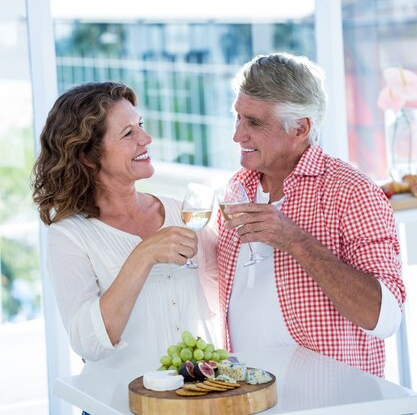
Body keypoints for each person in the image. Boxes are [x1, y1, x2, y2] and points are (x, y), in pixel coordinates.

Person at [217, 52, 406, 377]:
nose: (238, 135)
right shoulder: (237, 187)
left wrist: (296, 241)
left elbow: (385, 319)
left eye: (254, 123)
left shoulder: (352, 192)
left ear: (300, 128)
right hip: (249, 396)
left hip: (331, 399)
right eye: (238, 117)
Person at [32, 81, 218, 383]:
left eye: (140, 125)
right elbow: (88, 344)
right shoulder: (69, 236)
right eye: (128, 133)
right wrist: (143, 255)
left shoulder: (180, 213)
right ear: (88, 157)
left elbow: (220, 297)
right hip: (115, 404)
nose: (146, 138)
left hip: (190, 402)